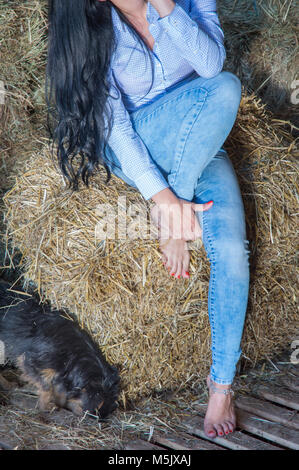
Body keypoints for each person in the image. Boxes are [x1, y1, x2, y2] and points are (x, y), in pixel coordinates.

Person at [46, 0, 250, 438]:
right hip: (138, 143)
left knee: (231, 248)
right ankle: (171, 213)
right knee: (225, 90)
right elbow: (115, 125)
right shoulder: (95, 19)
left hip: (200, 135)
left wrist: (167, 8)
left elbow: (211, 65)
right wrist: (163, 196)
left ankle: (221, 387)